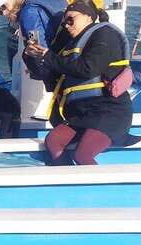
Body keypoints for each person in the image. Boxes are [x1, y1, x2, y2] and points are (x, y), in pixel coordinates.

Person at [25, 0, 133, 165]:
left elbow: (88, 69)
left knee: (82, 155)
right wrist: (33, 58)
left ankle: (101, 189)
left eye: (71, 19)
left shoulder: (105, 34)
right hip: (80, 114)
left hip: (108, 111)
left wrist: (48, 56)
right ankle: (67, 183)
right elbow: (51, 79)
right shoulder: (69, 45)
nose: (67, 25)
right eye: (64, 22)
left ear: (89, 17)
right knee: (53, 141)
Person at [0, 0, 68, 120]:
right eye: (1, 12)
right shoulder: (43, 3)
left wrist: (35, 70)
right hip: (67, 55)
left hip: (56, 67)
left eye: (3, 8)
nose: (4, 13)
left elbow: (37, 47)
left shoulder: (28, 12)